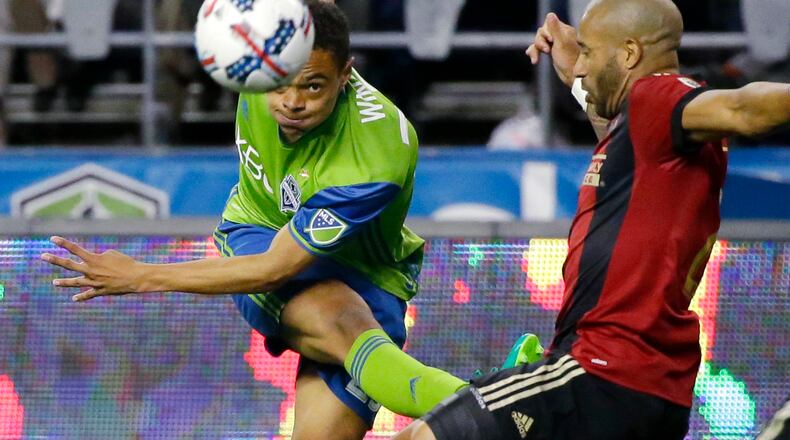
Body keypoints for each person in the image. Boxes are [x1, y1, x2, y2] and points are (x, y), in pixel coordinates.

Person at [41, 2, 467, 439]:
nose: (292, 102)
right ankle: (501, 400)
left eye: (313, 87)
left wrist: (140, 275)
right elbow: (271, 266)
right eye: (280, 84)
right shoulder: (262, 47)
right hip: (258, 236)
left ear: (346, 76)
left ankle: (494, 405)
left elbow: (276, 270)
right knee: (345, 323)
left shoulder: (376, 155)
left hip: (364, 275)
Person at [393, 0, 790, 439]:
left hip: (601, 369)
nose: (579, 66)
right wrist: (578, 79)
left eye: (588, 52)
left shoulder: (656, 97)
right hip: (650, 388)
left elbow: (743, 109)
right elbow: (622, 142)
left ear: (629, 54)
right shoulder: (649, 132)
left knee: (421, 437)